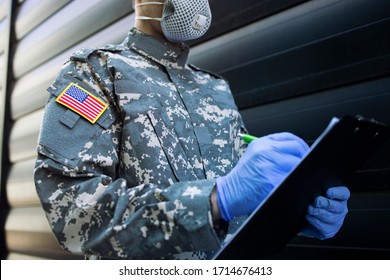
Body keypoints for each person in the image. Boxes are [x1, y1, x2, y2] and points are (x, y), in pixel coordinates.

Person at [34, 0, 350, 260]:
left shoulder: (214, 88)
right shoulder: (95, 73)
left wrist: (295, 208)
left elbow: (242, 202)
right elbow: (73, 212)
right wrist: (214, 199)